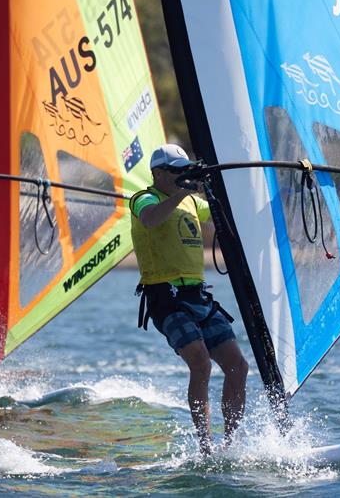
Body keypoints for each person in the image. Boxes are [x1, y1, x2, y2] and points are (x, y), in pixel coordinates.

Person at [130, 144, 248, 455]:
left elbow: (224, 210)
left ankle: (230, 445)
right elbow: (151, 220)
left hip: (198, 296)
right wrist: (184, 192)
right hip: (165, 298)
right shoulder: (144, 198)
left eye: (185, 171)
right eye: (177, 171)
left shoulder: (194, 203)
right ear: (158, 173)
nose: (182, 177)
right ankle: (206, 446)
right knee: (200, 361)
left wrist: (211, 182)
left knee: (238, 367)